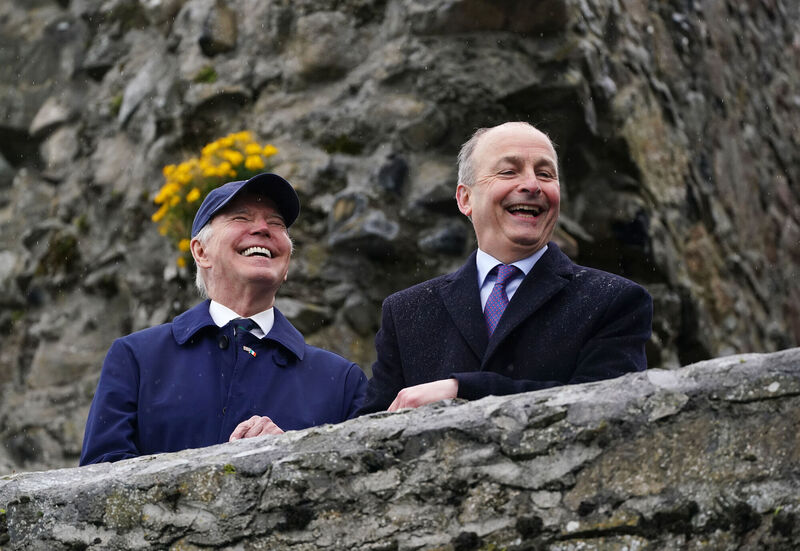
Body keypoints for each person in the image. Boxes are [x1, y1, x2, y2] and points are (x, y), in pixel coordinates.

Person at [358, 122, 652, 414]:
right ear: (465, 198)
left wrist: (462, 391)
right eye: (509, 171)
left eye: (545, 174)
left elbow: (609, 408)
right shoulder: (407, 312)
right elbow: (366, 434)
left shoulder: (614, 301)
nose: (532, 185)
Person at [81, 173, 367, 465]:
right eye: (241, 218)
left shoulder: (341, 383)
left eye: (276, 223)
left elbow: (360, 486)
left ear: (286, 265)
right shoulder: (137, 359)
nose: (262, 229)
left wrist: (290, 457)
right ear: (201, 251)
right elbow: (99, 479)